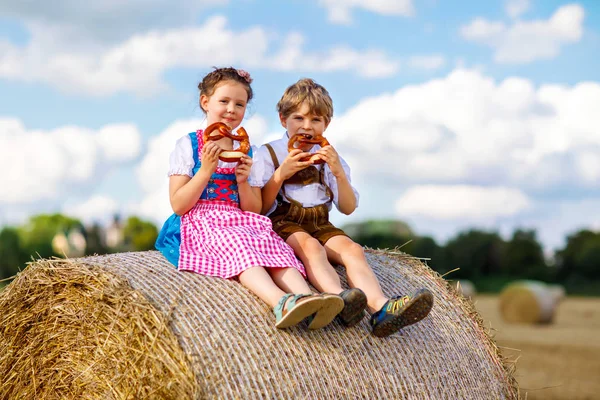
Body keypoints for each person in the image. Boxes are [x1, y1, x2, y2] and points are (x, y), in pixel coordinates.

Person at [155, 68, 344, 330]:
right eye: (224, 101)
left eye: (240, 104)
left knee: (276, 251)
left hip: (242, 221)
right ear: (205, 102)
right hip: (201, 223)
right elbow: (179, 204)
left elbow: (254, 209)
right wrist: (206, 171)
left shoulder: (249, 151)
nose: (232, 109)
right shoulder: (189, 145)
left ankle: (310, 300)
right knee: (243, 252)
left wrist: (243, 181)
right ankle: (280, 302)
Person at [252, 78, 434, 337]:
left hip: (321, 223)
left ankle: (380, 308)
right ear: (283, 120)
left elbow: (347, 208)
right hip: (283, 222)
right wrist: (281, 174)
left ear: (327, 124)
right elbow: (260, 208)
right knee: (311, 247)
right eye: (298, 119)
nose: (307, 127)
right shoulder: (268, 154)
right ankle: (338, 297)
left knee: (353, 250)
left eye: (316, 120)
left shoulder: (331, 159)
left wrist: (338, 174)